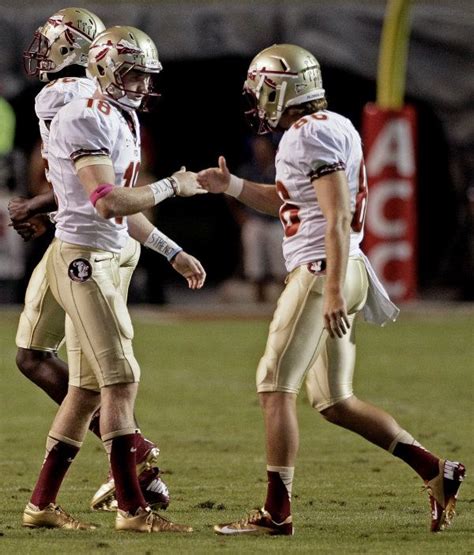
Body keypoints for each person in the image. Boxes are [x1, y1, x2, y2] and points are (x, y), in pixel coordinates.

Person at [197, 44, 465, 535]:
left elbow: (337, 215)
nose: (258, 100)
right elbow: (289, 203)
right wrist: (231, 185)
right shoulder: (331, 125)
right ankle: (435, 469)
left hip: (325, 271)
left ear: (286, 89)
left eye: (263, 89)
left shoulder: (305, 136)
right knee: (334, 400)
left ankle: (277, 513)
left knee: (273, 385)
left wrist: (335, 290)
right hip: (343, 266)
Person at [21, 24, 206, 533]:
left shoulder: (117, 116)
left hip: (99, 252)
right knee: (120, 380)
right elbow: (109, 204)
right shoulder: (84, 115)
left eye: (146, 75)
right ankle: (132, 509)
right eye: (132, 74)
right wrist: (175, 185)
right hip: (85, 258)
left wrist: (172, 251)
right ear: (102, 68)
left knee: (83, 389)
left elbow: (124, 211)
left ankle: (40, 505)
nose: (142, 85)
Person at [237, 136, 285, 302]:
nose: (260, 152)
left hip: (277, 221)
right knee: (255, 266)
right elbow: (232, 198)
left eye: (263, 148)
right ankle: (258, 303)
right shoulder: (249, 170)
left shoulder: (281, 169)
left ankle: (284, 301)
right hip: (255, 221)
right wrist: (242, 217)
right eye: (257, 148)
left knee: (282, 265)